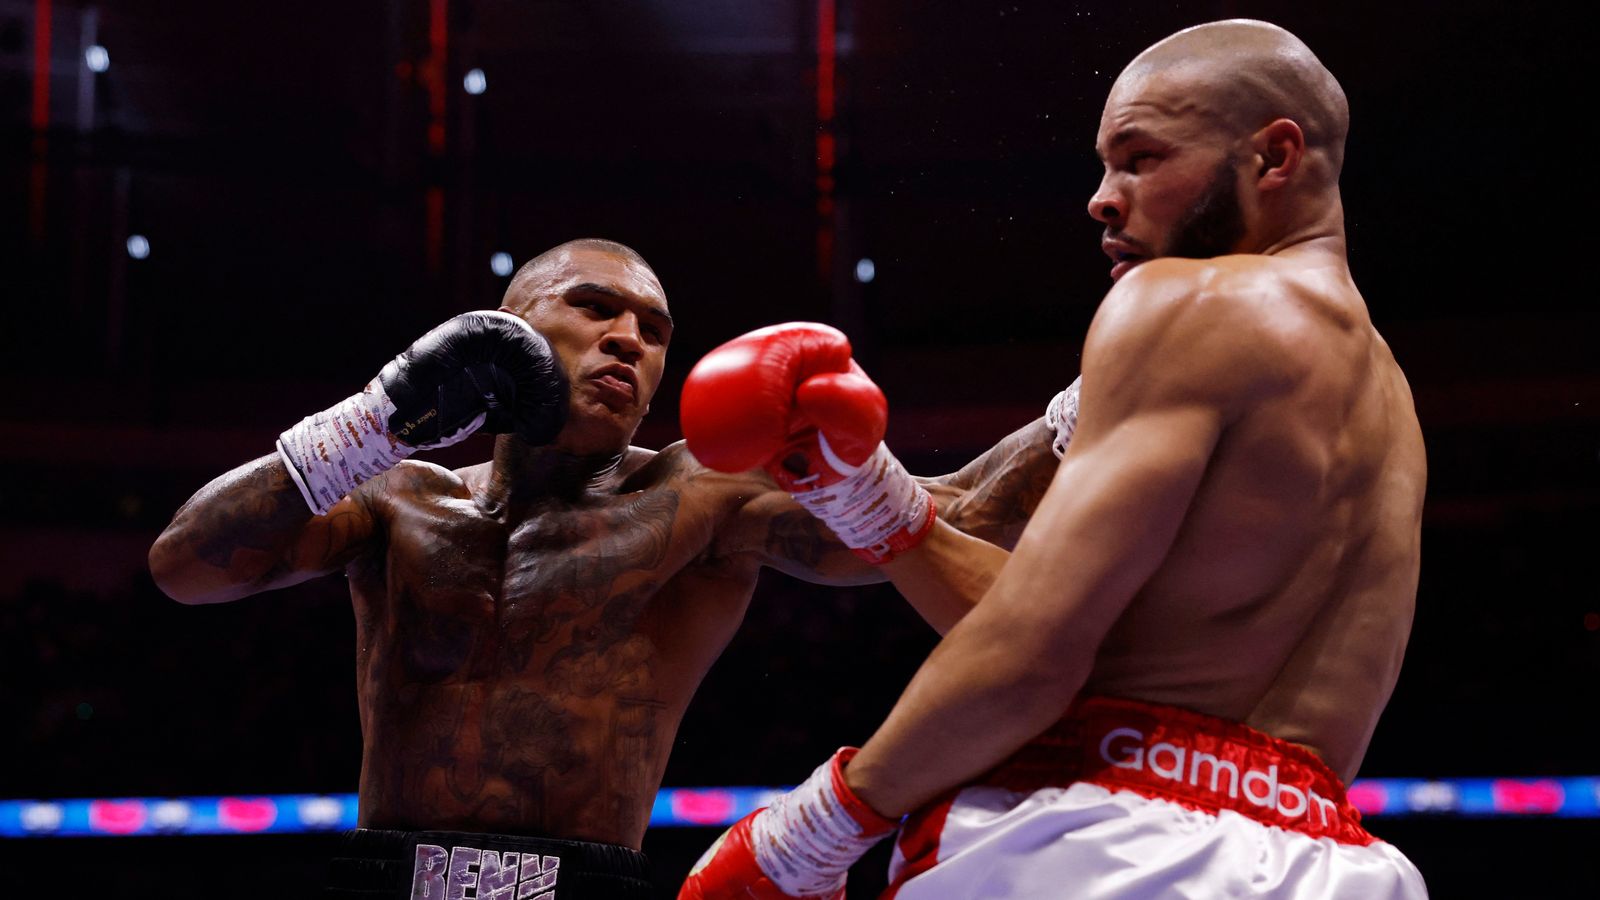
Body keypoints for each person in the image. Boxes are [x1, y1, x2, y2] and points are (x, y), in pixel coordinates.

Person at [680, 19, 1429, 899]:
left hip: (1106, 845)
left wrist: (812, 832)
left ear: (1274, 156)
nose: (1102, 198)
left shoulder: (1185, 299)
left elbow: (1035, 656)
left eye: (1140, 159)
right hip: (1327, 858)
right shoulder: (1393, 404)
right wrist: (868, 498)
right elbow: (1094, 645)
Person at [147, 238, 1066, 899]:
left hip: (585, 885)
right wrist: (375, 418)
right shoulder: (394, 494)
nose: (629, 338)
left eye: (654, 329)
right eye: (595, 308)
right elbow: (185, 565)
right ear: (505, 329)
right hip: (384, 876)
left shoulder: (703, 498)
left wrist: (1106, 391)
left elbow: (961, 514)